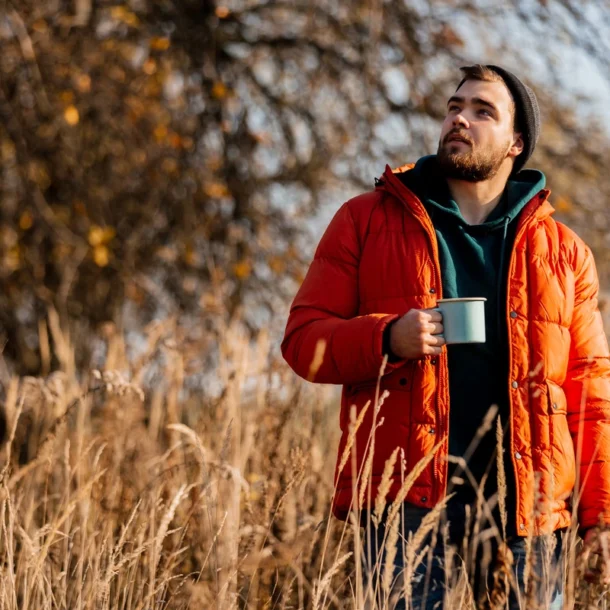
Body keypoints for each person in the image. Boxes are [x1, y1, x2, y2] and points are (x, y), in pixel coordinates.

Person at [281, 64, 610, 608]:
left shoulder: (565, 252)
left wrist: (600, 518)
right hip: (404, 505)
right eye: (455, 106)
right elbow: (302, 342)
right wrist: (388, 338)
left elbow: (591, 391)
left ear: (516, 143)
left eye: (484, 111)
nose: (461, 119)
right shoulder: (365, 220)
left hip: (527, 511)